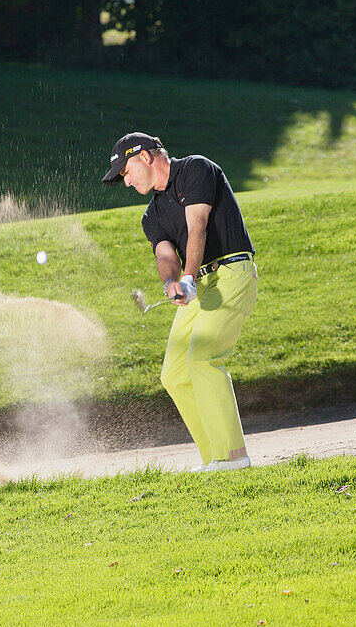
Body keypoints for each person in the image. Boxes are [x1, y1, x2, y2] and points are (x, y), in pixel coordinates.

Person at [102, 131, 257, 472]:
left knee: (203, 358)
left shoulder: (196, 170)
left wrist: (186, 278)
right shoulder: (151, 216)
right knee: (173, 374)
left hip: (231, 272)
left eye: (125, 172)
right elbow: (165, 254)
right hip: (196, 284)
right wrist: (172, 281)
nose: (126, 182)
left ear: (145, 156)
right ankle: (213, 459)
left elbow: (197, 226)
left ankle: (233, 457)